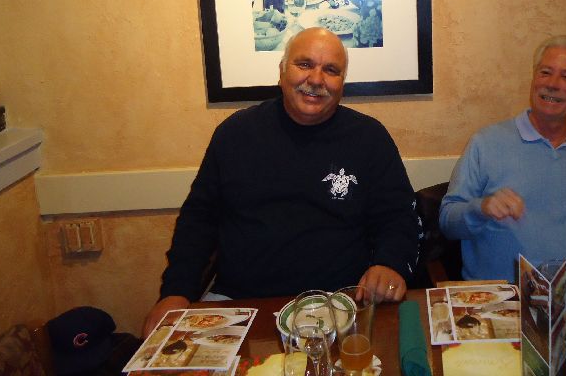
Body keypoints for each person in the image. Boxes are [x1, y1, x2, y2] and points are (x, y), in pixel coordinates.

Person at [143, 28, 420, 336]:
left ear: (342, 82)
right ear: (282, 71)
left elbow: (399, 217)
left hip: (339, 305)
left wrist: (391, 263)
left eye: (331, 70)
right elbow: (198, 220)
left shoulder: (369, 138)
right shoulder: (235, 134)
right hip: (241, 304)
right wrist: (176, 291)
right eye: (304, 64)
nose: (316, 79)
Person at [439, 35, 566, 281]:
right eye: (545, 73)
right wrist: (481, 208)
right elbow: (447, 222)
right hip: (499, 297)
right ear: (534, 79)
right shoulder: (486, 143)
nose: (552, 84)